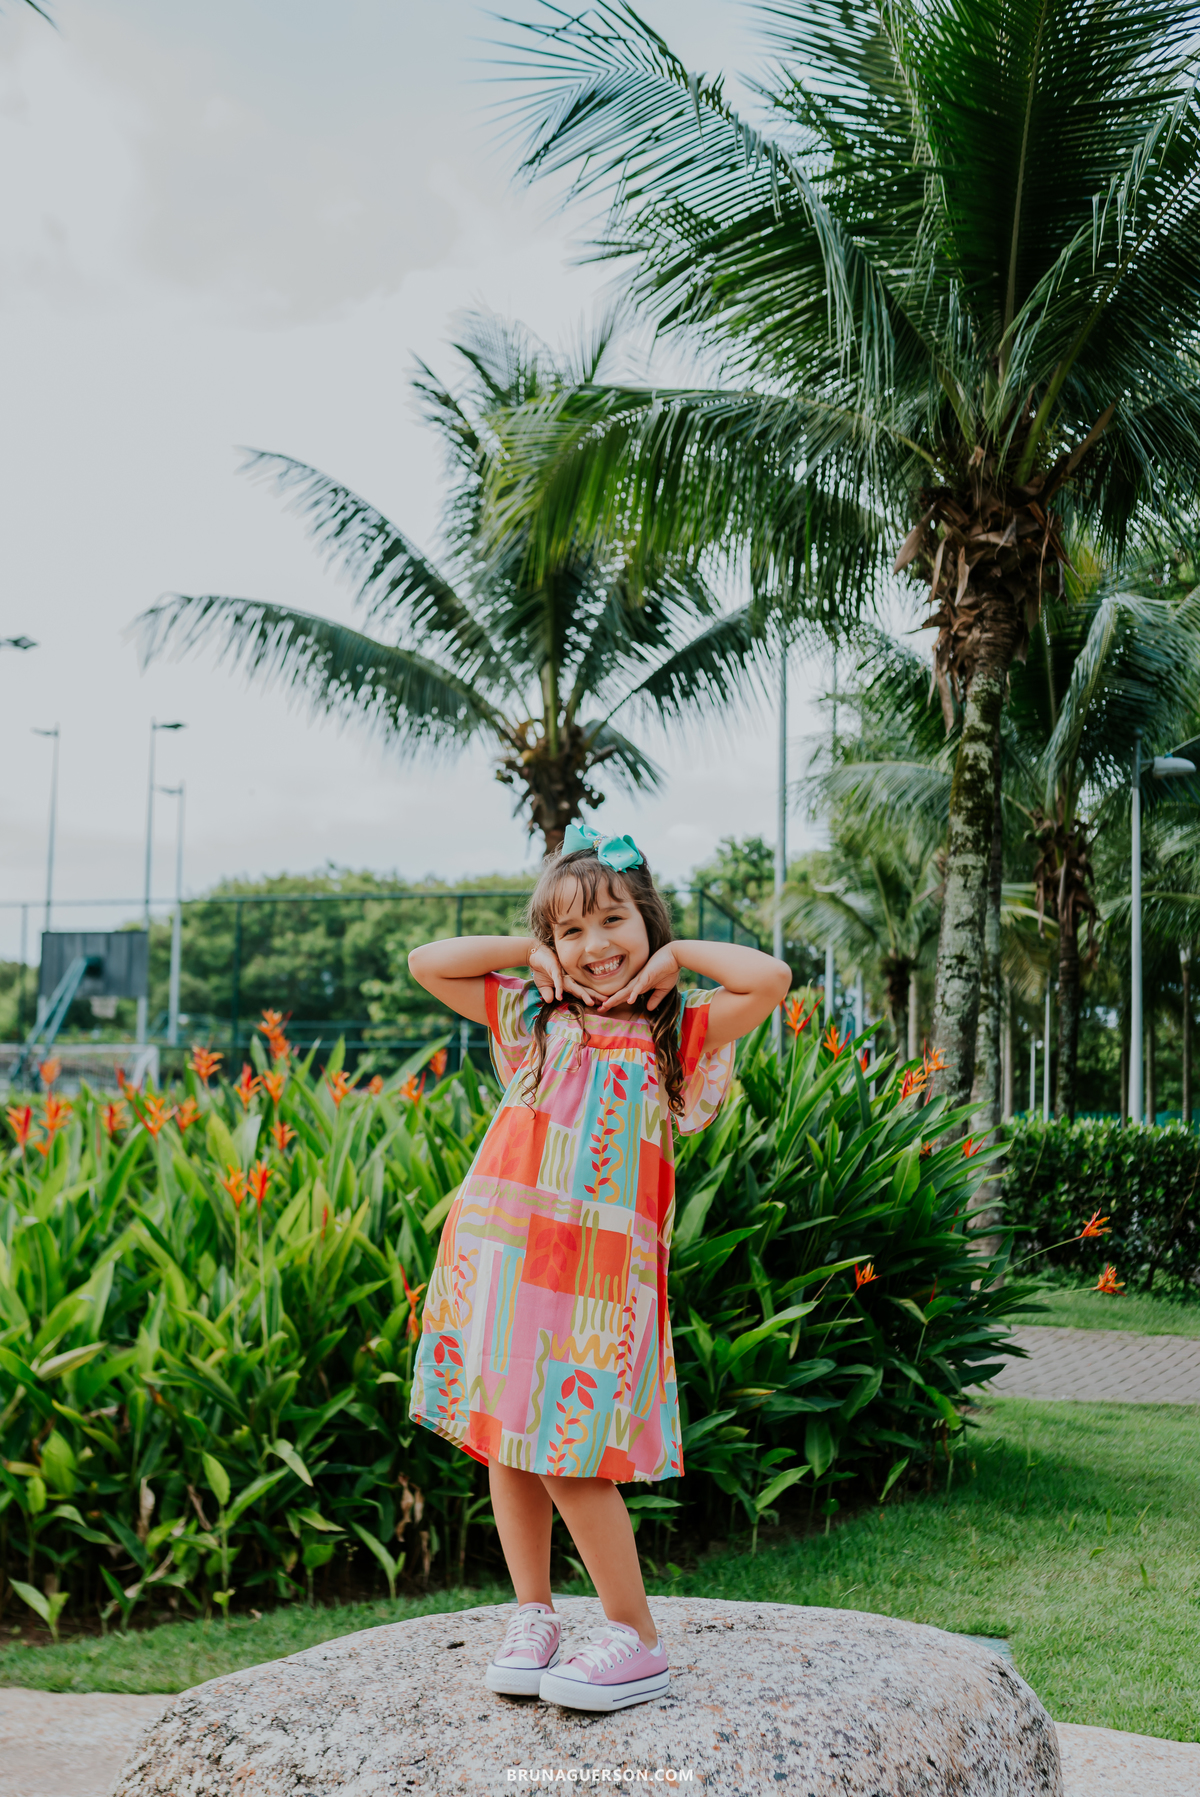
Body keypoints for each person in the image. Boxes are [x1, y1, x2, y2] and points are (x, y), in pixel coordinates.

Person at [406, 824, 790, 1712]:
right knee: (506, 1437)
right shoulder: (533, 1013)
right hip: (500, 1251)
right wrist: (530, 952)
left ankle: (636, 1636)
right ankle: (533, 1612)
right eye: (572, 931)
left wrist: (679, 956)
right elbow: (431, 959)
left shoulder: (679, 1029)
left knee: (571, 1452)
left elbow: (768, 980)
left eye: (614, 921)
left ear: (646, 923)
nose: (595, 946)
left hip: (595, 1277)